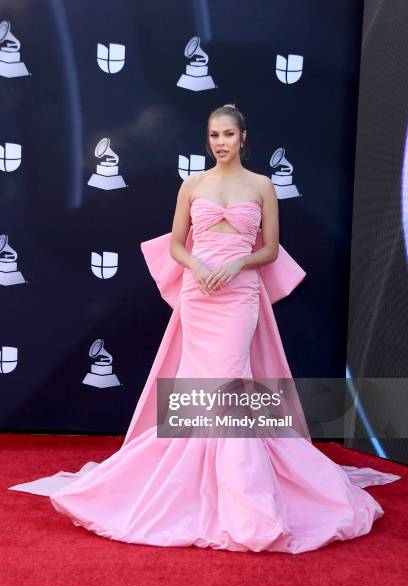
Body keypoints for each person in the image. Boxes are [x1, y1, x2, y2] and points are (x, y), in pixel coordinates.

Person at [9, 104, 400, 554]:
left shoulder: (262, 185)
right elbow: (176, 244)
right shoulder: (193, 184)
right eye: (214, 135)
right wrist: (197, 265)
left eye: (228, 134)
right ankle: (192, 487)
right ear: (207, 139)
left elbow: (270, 249)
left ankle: (245, 502)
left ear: (243, 137)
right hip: (199, 297)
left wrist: (237, 261)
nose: (220, 142)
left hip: (240, 296)